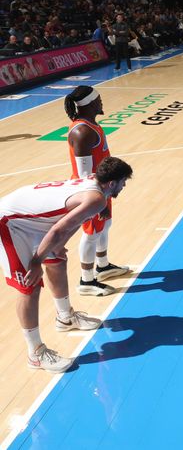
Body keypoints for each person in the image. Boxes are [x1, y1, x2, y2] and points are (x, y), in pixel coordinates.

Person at [0, 157, 133, 372]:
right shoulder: (97, 198)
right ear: (111, 183)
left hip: (30, 218)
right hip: (8, 222)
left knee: (58, 261)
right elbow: (58, 230)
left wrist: (57, 248)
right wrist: (36, 262)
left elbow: (71, 222)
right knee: (29, 286)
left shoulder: (93, 182)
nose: (124, 186)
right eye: (123, 182)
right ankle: (35, 353)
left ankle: (65, 317)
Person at [65, 87, 131, 296]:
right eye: (99, 100)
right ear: (91, 103)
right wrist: (97, 200)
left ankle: (102, 266)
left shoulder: (91, 125)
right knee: (91, 232)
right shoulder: (82, 131)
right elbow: (85, 174)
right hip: (90, 191)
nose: (102, 103)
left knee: (105, 225)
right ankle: (86, 280)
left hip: (103, 188)